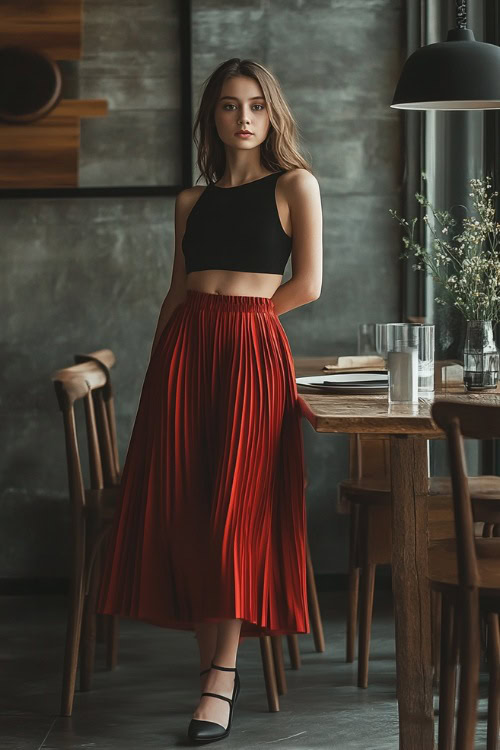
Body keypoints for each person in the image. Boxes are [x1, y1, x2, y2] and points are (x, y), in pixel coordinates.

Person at [96, 57, 323, 744]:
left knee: (232, 515)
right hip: (185, 358)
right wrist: (161, 367)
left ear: (273, 112)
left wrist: (248, 324)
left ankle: (218, 682)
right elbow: (176, 289)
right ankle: (214, 677)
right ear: (213, 118)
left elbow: (308, 284)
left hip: (251, 357)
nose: (244, 117)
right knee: (194, 516)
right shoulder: (191, 202)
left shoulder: (296, 185)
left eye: (256, 104)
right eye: (229, 105)